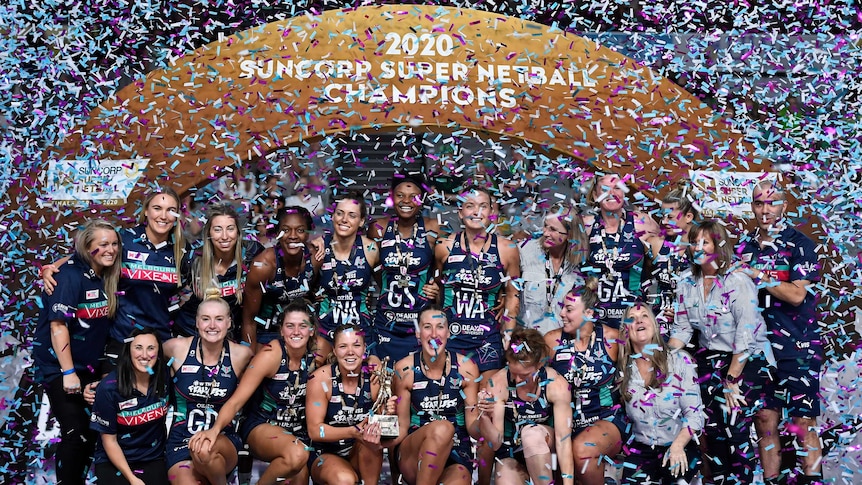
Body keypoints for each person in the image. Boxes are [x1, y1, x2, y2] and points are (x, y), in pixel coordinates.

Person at [668, 219, 772, 484]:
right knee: (711, 431)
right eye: (694, 242)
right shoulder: (686, 282)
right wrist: (663, 360)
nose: (698, 247)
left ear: (718, 245)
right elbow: (682, 329)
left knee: (735, 430)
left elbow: (746, 335)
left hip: (746, 360)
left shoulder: (736, 281)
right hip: (709, 358)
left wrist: (732, 380)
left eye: (705, 241)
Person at [736, 180, 823, 485]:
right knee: (765, 422)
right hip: (758, 349)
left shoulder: (800, 244)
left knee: (803, 422)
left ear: (784, 207)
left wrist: (756, 273)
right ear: (752, 207)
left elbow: (797, 295)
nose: (765, 210)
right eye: (759, 204)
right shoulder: (743, 248)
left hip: (797, 346)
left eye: (772, 203)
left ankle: (814, 481)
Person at [189, 299, 318, 485]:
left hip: (297, 432)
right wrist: (214, 430)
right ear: (281, 330)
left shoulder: (318, 355)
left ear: (311, 330)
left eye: (302, 326)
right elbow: (236, 401)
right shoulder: (271, 355)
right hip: (262, 426)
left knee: (300, 476)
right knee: (297, 454)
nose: (296, 332)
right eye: (290, 326)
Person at [42, 188, 189, 351]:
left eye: (171, 210)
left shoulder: (181, 250)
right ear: (146, 211)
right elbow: (84, 257)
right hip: (121, 338)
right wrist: (53, 267)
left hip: (160, 340)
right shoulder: (126, 239)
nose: (163, 216)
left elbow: (195, 288)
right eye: (157, 208)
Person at [34, 219, 122, 485]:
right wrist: (68, 373)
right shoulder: (71, 276)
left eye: (114, 244)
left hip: (90, 367)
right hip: (61, 367)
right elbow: (58, 325)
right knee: (76, 433)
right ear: (87, 248)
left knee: (91, 434)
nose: (111, 249)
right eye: (103, 245)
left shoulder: (106, 271)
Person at [163, 297, 253, 485]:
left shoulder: (241, 355)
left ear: (229, 323)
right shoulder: (176, 348)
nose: (212, 325)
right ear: (196, 322)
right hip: (182, 439)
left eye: (219, 319)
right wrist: (106, 382)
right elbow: (140, 361)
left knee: (204, 449)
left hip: (222, 440)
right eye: (205, 319)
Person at [544, 278, 625, 485]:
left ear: (589, 313)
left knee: (581, 448)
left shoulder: (612, 340)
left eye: (569, 309)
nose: (562, 314)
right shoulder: (552, 341)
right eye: (562, 308)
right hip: (564, 424)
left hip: (605, 420)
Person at [434, 186, 521, 376]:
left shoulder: (507, 248)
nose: (476, 212)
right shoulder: (444, 246)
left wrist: (508, 332)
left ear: (491, 212)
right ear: (460, 212)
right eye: (469, 206)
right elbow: (435, 289)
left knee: (486, 399)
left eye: (483, 206)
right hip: (452, 337)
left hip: (488, 339)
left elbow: (514, 294)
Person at [390, 305, 481, 485]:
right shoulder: (404, 369)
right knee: (443, 428)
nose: (434, 334)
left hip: (456, 448)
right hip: (413, 451)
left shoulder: (467, 368)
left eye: (440, 327)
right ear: (418, 333)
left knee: (460, 480)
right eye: (427, 327)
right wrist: (380, 442)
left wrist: (485, 416)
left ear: (448, 332)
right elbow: (401, 427)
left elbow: (473, 429)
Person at [476, 326, 575, 485]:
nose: (517, 380)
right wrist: (485, 416)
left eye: (524, 375)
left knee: (531, 435)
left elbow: (563, 442)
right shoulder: (498, 383)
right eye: (513, 373)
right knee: (505, 481)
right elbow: (495, 442)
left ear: (538, 366)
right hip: (512, 452)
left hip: (546, 450)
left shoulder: (556, 384)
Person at [618, 303, 705, 485]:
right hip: (641, 450)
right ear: (626, 331)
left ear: (655, 325)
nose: (639, 320)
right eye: (632, 319)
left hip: (679, 444)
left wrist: (678, 445)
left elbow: (695, 415)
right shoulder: (623, 370)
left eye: (644, 316)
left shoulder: (680, 361)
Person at [305, 324, 395, 485]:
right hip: (326, 454)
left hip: (361, 452)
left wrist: (388, 415)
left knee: (370, 440)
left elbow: (389, 436)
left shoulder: (374, 378)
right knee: (345, 480)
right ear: (334, 350)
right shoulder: (320, 379)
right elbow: (314, 431)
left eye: (356, 345)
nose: (350, 352)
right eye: (343, 346)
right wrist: (353, 432)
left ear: (365, 349)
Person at [368, 172, 442, 362]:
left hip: (420, 322)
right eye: (400, 195)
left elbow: (447, 264)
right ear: (392, 197)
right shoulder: (379, 227)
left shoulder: (433, 228)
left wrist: (436, 285)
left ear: (421, 200)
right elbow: (373, 266)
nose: (406, 201)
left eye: (413, 196)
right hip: (387, 321)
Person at [90, 327, 170, 485]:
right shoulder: (109, 388)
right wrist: (132, 479)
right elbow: (109, 441)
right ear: (128, 351)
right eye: (138, 348)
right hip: (114, 460)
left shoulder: (165, 377)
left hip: (152, 457)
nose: (145, 355)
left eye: (151, 348)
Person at [175, 203, 264, 338]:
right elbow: (175, 298)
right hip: (190, 331)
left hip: (232, 334)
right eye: (217, 229)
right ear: (208, 233)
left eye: (230, 229)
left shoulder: (252, 253)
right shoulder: (192, 259)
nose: (224, 236)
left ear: (238, 231)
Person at [583, 173, 658, 329]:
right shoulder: (587, 225)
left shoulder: (642, 223)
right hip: (597, 317)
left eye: (617, 188)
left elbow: (666, 260)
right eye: (605, 189)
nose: (612, 193)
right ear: (596, 195)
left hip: (634, 317)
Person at [241, 206, 317, 352]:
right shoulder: (263, 266)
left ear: (308, 234)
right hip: (268, 334)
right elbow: (249, 320)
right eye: (286, 230)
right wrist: (249, 358)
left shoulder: (315, 258)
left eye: (300, 230)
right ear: (277, 233)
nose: (292, 236)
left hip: (301, 332)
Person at [314, 191, 379, 359]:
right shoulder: (318, 247)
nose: (344, 219)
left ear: (362, 221)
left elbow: (386, 282)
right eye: (340, 213)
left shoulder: (370, 249)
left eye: (352, 215)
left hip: (360, 332)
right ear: (333, 216)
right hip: (325, 332)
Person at [519, 202, 588, 334]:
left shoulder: (580, 264)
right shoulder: (524, 251)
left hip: (561, 342)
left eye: (553, 230)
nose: (545, 233)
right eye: (545, 226)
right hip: (528, 339)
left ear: (570, 235)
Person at [648, 186, 699, 336]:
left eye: (669, 217)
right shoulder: (657, 244)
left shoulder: (704, 249)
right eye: (662, 216)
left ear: (688, 217)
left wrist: (683, 310)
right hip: (659, 324)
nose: (663, 221)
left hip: (693, 326)